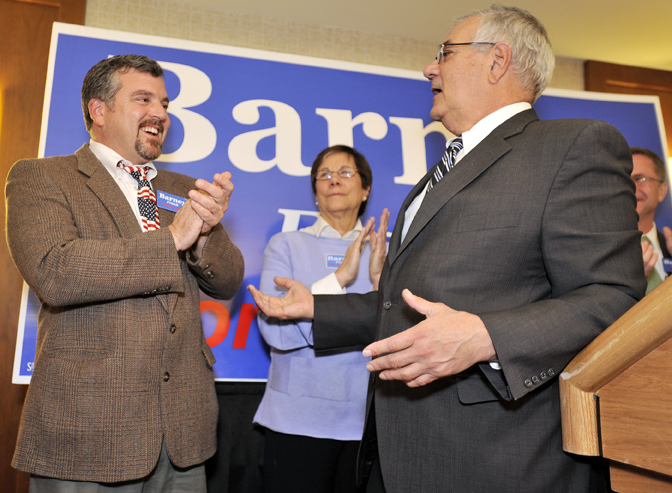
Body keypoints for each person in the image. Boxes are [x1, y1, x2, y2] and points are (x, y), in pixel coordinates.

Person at [248, 5, 646, 493]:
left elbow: (613, 297)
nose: (429, 68)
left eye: (445, 53)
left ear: (497, 61)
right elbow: (409, 307)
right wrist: (319, 308)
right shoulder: (438, 174)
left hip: (493, 462)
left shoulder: (576, 145)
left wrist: (487, 337)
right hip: (394, 458)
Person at [5, 55, 245, 492]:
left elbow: (227, 281)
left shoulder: (181, 189)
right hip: (88, 434)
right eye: (143, 99)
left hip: (183, 435)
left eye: (165, 102)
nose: (161, 113)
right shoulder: (42, 177)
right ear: (99, 110)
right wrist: (172, 239)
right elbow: (55, 270)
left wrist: (206, 235)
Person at [254, 145, 388, 493]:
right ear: (315, 190)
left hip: (366, 425)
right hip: (296, 422)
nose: (333, 180)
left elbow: (399, 336)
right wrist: (338, 280)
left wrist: (379, 284)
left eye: (345, 172)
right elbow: (276, 334)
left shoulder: (386, 255)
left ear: (366, 189)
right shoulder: (285, 244)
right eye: (324, 175)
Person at [631, 147, 672, 293]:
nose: (630, 187)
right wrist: (629, 281)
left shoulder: (669, 247)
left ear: (661, 191)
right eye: (623, 179)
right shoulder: (596, 252)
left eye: (640, 179)